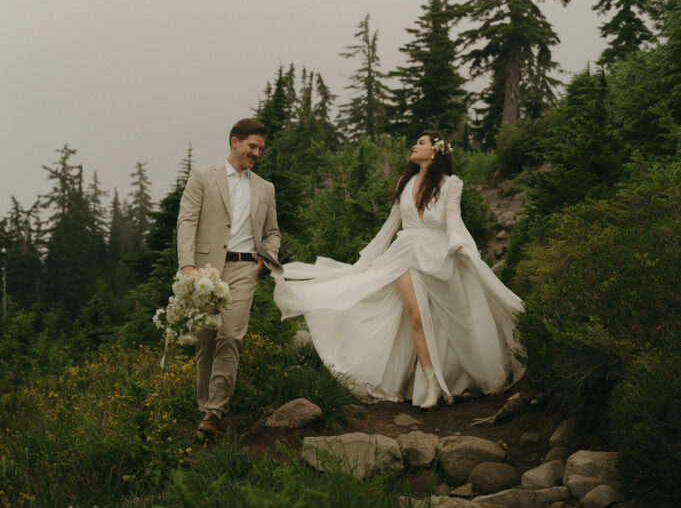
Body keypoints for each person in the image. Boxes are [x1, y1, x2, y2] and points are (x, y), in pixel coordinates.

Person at [274, 131, 523, 409]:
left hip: (438, 255)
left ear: (435, 152)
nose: (414, 146)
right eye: (415, 142)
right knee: (415, 316)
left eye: (421, 143)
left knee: (452, 320)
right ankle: (432, 385)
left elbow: (453, 221)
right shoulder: (405, 183)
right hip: (404, 255)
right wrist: (367, 258)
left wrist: (457, 244)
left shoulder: (450, 184)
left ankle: (454, 373)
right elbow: (391, 225)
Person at [177, 117, 281, 438]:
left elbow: (273, 231)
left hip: (244, 268)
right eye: (252, 146)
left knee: (231, 334)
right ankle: (203, 409)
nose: (257, 154)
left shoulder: (265, 188)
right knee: (206, 340)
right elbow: (186, 221)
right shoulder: (202, 177)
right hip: (206, 271)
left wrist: (264, 261)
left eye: (261, 148)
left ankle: (215, 411)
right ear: (234, 142)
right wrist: (187, 267)